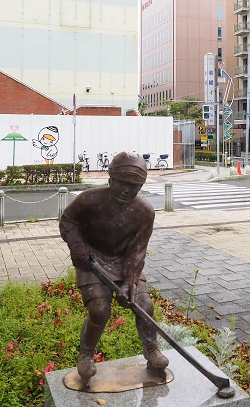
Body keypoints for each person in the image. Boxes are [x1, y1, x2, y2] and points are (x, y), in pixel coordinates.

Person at [59, 151, 169, 386]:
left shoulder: (145, 212)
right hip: (93, 259)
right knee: (100, 310)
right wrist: (77, 245)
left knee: (144, 304)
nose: (128, 190)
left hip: (124, 263)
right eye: (123, 184)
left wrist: (130, 282)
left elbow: (138, 251)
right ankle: (86, 355)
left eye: (135, 186)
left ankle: (151, 350)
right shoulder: (89, 199)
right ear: (110, 181)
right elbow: (68, 220)